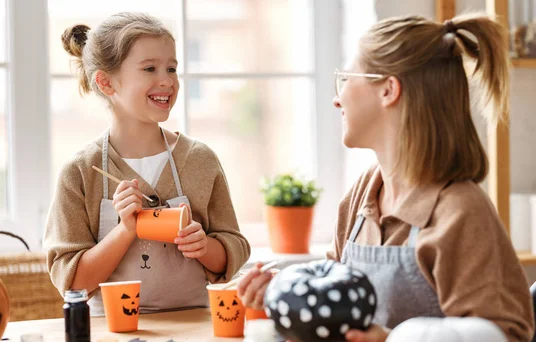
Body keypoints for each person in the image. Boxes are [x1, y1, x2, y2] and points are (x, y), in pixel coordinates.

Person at [238, 12, 534, 342]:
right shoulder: (363, 194)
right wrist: (288, 299)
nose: (337, 98)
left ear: (388, 90)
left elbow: (505, 336)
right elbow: (335, 310)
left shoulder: (460, 212)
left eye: (346, 78)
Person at [44, 12, 250, 316]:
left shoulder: (200, 160)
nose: (166, 81)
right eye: (149, 69)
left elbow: (234, 249)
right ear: (106, 82)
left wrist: (205, 247)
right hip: (114, 332)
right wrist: (125, 229)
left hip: (196, 326)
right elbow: (72, 282)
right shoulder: (80, 173)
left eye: (172, 68)